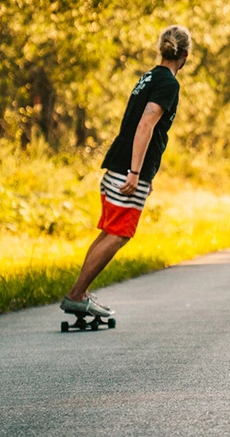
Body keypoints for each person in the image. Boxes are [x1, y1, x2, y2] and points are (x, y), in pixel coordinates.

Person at [60, 25, 192, 318]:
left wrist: (144, 174)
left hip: (118, 164)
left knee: (110, 231)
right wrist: (136, 172)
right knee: (119, 234)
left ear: (163, 49)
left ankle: (79, 293)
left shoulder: (147, 78)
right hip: (128, 170)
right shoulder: (168, 83)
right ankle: (76, 295)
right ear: (184, 55)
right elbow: (146, 124)